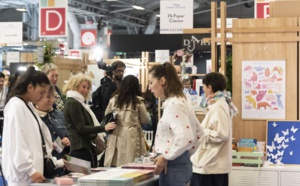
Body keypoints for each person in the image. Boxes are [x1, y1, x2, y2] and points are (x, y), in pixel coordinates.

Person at [2, 66, 64, 185]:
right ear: (30, 87)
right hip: (22, 178)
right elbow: (17, 142)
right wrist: (30, 170)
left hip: (31, 175)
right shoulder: (16, 106)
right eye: (41, 92)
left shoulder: (28, 105)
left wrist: (53, 161)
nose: (42, 96)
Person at [148, 63, 203, 186]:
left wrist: (167, 156)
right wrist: (185, 154)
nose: (149, 88)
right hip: (178, 163)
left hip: (173, 166)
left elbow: (186, 138)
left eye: (151, 82)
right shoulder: (180, 101)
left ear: (162, 80)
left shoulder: (174, 104)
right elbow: (198, 132)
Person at [190, 72, 238, 186]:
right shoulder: (217, 103)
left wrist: (201, 131)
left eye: (204, 87)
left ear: (210, 87)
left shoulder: (219, 106)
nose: (204, 90)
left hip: (211, 164)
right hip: (211, 164)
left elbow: (222, 134)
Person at [63, 73, 116, 168]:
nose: (86, 90)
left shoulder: (76, 102)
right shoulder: (73, 103)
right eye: (83, 87)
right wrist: (103, 128)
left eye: (87, 88)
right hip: (81, 149)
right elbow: (81, 128)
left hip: (82, 147)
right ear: (74, 86)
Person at [104, 75, 149, 167]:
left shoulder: (114, 100)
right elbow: (145, 119)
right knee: (131, 161)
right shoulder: (138, 101)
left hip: (115, 133)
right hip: (132, 133)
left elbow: (106, 115)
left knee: (116, 160)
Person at [34, 85, 70, 160]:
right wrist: (47, 146)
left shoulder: (59, 114)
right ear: (38, 98)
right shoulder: (33, 117)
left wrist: (67, 140)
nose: (51, 100)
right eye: (48, 97)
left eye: (53, 97)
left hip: (63, 162)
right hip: (43, 163)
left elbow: (68, 134)